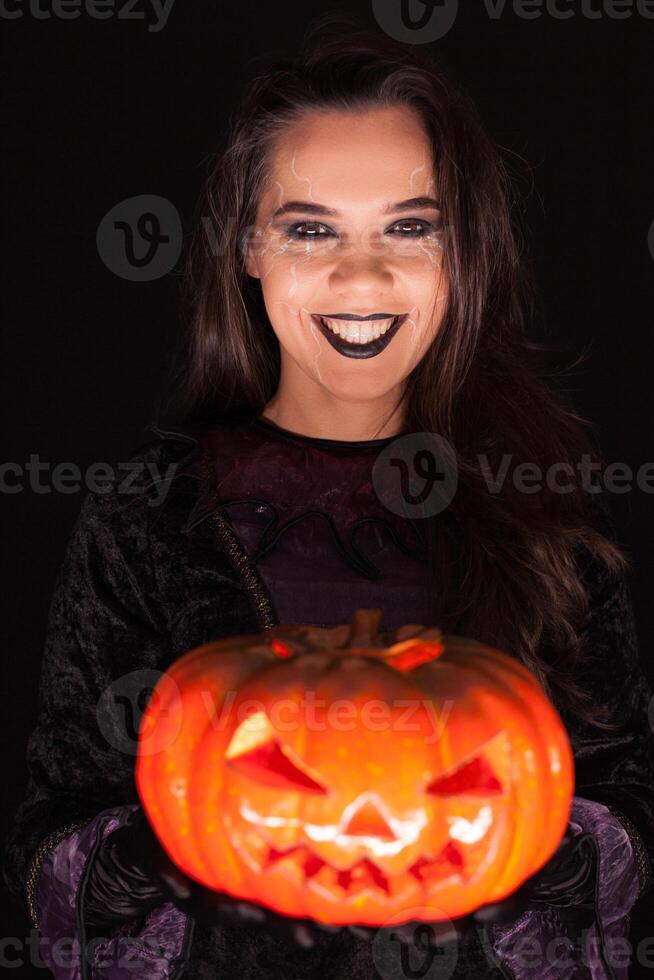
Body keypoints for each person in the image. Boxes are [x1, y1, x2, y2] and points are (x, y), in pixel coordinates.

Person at [4, 16, 653, 980]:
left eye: (409, 227)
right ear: (248, 250)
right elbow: (51, 854)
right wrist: (197, 818)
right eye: (312, 229)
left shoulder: (544, 500)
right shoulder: (148, 507)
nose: (363, 276)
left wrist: (496, 823)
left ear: (461, 253)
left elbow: (630, 815)